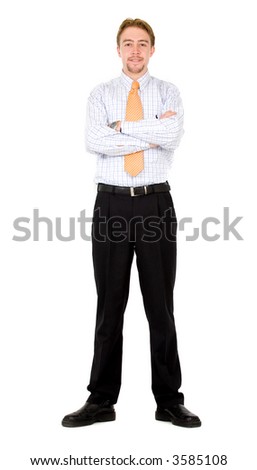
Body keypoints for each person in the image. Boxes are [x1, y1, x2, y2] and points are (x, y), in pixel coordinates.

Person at [62, 18, 201, 428]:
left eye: (143, 44)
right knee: (109, 308)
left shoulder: (168, 91)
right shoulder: (101, 94)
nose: (135, 51)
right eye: (128, 44)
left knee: (160, 307)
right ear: (118, 49)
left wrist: (122, 128)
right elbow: (94, 141)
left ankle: (169, 401)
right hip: (112, 206)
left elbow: (172, 135)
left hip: (156, 204)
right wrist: (151, 131)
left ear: (152, 50)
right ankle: (101, 400)